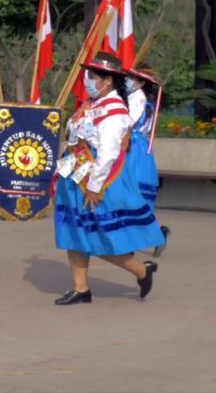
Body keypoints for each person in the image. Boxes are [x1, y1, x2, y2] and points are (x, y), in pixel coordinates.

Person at [53, 52, 167, 305]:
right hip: (75, 172)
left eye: (92, 76)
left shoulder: (114, 112)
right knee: (74, 231)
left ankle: (141, 270)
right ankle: (81, 288)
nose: (87, 80)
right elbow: (75, 138)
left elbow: (108, 153)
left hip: (98, 179)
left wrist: (94, 186)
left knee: (100, 234)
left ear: (107, 81)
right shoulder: (92, 105)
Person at [124, 63, 171, 256]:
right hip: (137, 147)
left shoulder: (138, 99)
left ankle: (153, 235)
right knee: (130, 195)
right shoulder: (135, 97)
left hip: (133, 147)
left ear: (140, 82)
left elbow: (129, 123)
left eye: (130, 78)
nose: (126, 81)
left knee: (131, 194)